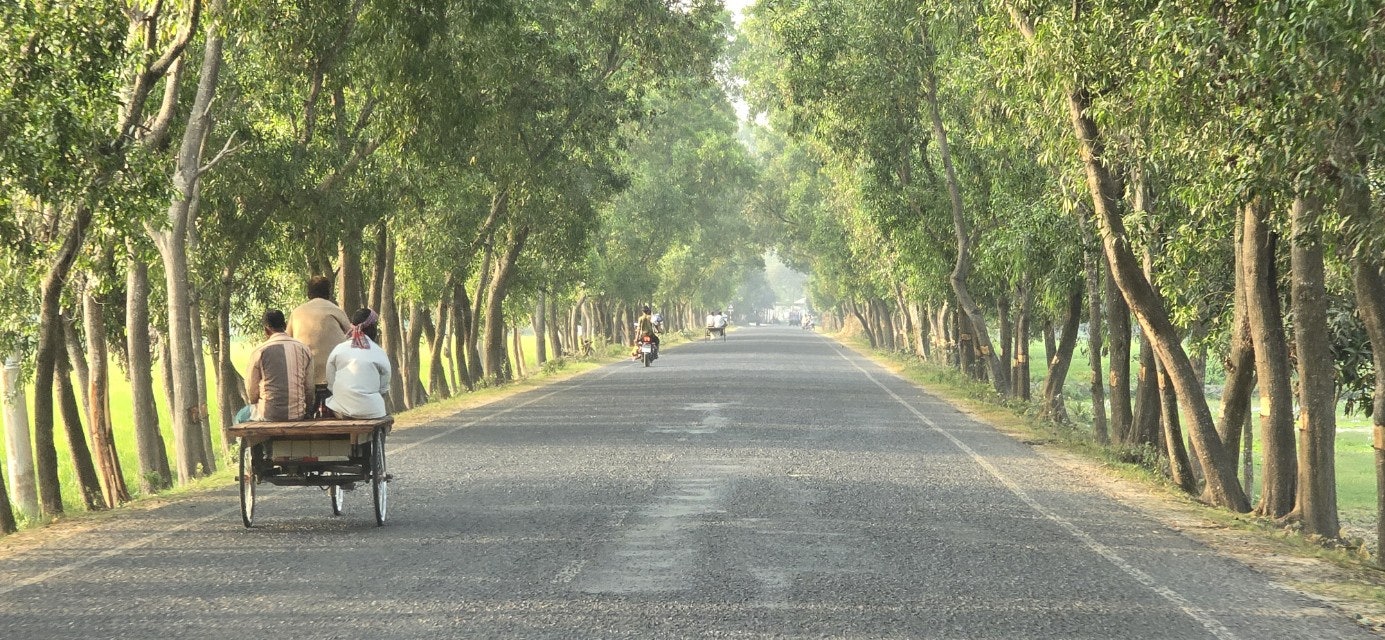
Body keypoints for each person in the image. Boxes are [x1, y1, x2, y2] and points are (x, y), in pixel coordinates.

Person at [286, 275, 351, 417]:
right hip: (334, 375)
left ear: (308, 292)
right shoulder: (335, 310)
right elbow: (351, 333)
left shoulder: (296, 313)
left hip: (304, 375)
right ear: (329, 292)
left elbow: (287, 339)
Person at [235, 309, 313, 423]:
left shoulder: (260, 351)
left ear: (266, 330)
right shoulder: (304, 349)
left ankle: (248, 441)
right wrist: (307, 410)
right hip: (297, 414)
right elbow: (309, 388)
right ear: (285, 325)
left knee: (240, 417)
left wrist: (257, 403)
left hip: (268, 415)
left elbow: (251, 391)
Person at [324, 308, 392, 420]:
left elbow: (331, 382)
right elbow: (384, 386)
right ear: (372, 328)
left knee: (331, 403)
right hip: (373, 411)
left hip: (342, 410)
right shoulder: (379, 352)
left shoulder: (339, 349)